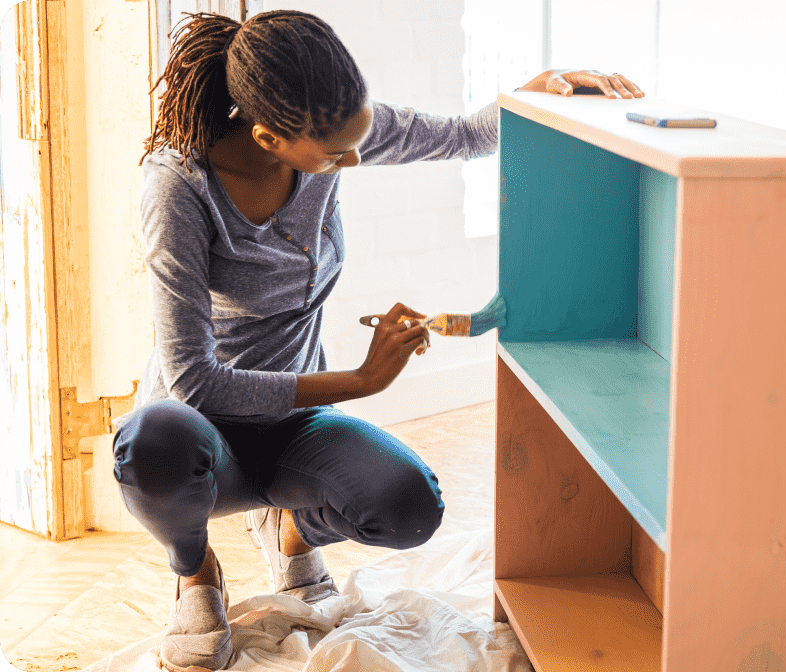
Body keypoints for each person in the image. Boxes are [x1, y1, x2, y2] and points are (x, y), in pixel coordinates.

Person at [114, 9, 644, 671]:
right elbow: (193, 378)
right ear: (267, 137)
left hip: (292, 424)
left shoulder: (334, 132)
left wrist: (533, 91)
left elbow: (456, 136)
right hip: (199, 433)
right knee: (149, 445)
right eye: (335, 152)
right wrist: (360, 382)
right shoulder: (177, 188)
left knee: (410, 505)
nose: (354, 155)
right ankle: (195, 576)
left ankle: (291, 530)